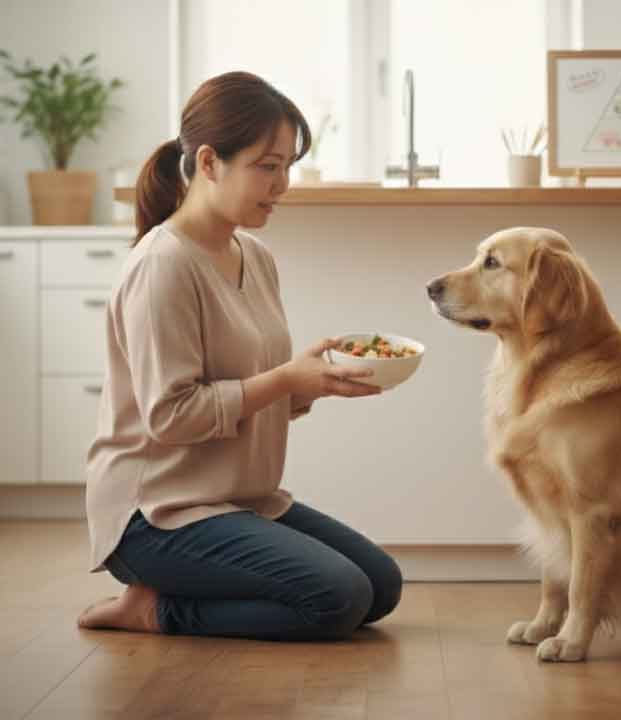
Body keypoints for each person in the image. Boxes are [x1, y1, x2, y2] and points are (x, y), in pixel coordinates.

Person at [77, 72, 401, 640]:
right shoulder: (163, 266)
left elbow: (249, 391)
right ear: (209, 162)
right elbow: (171, 417)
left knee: (381, 585)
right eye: (268, 166)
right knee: (339, 597)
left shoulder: (255, 255)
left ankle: (182, 593)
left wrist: (311, 385)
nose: (282, 185)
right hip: (156, 515)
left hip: (237, 500)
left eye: (288, 166)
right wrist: (284, 380)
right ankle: (154, 610)